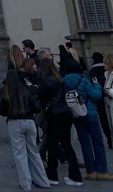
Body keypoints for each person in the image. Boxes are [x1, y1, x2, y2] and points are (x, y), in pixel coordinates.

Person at [0, 69, 51, 191]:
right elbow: (36, 107)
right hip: (29, 121)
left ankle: (25, 183)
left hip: (14, 122)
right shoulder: (24, 89)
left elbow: (1, 110)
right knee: (33, 152)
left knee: (20, 154)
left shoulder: (5, 91)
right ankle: (43, 181)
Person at [37, 56, 83, 186]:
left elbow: (41, 97)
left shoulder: (46, 81)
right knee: (66, 144)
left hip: (54, 114)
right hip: (66, 113)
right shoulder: (60, 79)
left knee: (52, 145)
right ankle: (75, 175)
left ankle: (52, 175)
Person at [63, 58, 111, 179]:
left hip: (76, 113)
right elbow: (95, 95)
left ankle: (90, 171)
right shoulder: (83, 79)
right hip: (89, 112)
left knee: (85, 143)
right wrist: (96, 85)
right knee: (97, 142)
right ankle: (102, 170)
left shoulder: (64, 81)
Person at [89, 53, 113, 150]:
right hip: (107, 101)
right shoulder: (106, 73)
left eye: (105, 63)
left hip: (106, 100)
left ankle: (110, 140)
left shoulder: (94, 71)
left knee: (106, 121)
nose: (104, 65)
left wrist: (109, 92)